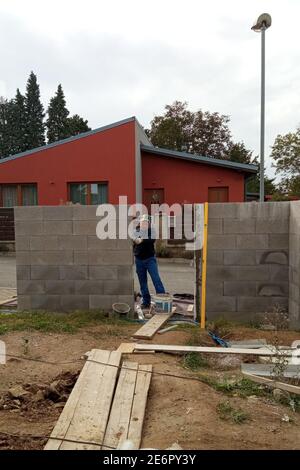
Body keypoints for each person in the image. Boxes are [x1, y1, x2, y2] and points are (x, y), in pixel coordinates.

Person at [133, 214, 165, 308]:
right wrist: (135, 239)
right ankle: (146, 302)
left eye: (146, 222)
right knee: (143, 283)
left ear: (149, 224)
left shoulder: (152, 231)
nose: (144, 224)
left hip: (150, 259)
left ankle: (162, 301)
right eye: (143, 222)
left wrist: (141, 239)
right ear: (140, 223)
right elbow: (134, 240)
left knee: (156, 280)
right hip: (139, 260)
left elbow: (151, 240)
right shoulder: (136, 231)